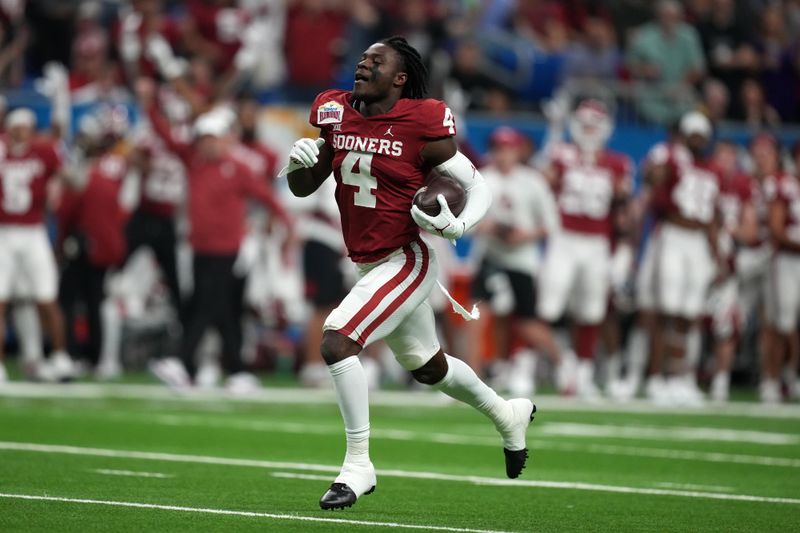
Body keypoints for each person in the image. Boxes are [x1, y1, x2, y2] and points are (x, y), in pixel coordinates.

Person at [285, 36, 535, 510]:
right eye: (362, 58)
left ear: (400, 78)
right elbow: (304, 187)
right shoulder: (335, 112)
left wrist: (459, 224)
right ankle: (507, 415)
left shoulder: (420, 120)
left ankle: (358, 464)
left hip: (406, 258)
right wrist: (298, 164)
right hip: (365, 260)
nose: (363, 64)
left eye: (376, 61)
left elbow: (474, 184)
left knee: (337, 340)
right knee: (428, 367)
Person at [533, 100, 633, 399]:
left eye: (595, 124)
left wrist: (624, 250)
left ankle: (584, 373)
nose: (589, 130)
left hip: (597, 242)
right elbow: (540, 184)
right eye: (585, 123)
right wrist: (552, 134)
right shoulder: (560, 154)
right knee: (548, 305)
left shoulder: (618, 163)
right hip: (564, 238)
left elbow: (624, 212)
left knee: (592, 310)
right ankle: (525, 368)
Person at [469, 126, 559, 396]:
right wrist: (489, 228)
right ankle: (473, 377)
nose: (502, 154)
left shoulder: (533, 181)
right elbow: (468, 222)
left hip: (522, 259)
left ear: (518, 151)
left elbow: (550, 224)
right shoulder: (482, 179)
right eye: (498, 148)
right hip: (492, 255)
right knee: (479, 315)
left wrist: (524, 236)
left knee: (526, 322)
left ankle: (564, 363)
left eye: (507, 149)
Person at [647, 111, 722, 405]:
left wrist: (717, 253)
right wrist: (664, 164)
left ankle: (680, 377)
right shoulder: (672, 159)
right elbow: (652, 178)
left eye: (700, 134)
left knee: (689, 315)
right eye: (692, 133)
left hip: (699, 241)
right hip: (674, 235)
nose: (696, 139)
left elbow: (713, 215)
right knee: (666, 310)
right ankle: (656, 377)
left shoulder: (712, 169)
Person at [0, 108, 75, 382]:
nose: (21, 132)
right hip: (4, 231)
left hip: (33, 231)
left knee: (46, 297)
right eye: (17, 127)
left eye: (26, 127)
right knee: (1, 301)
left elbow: (70, 178)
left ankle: (60, 357)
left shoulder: (44, 151)